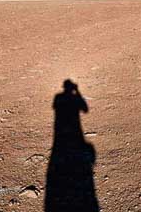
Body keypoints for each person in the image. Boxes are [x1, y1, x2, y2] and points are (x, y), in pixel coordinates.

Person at [45, 80, 99, 212]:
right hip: (74, 130)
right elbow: (85, 109)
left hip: (61, 132)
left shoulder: (58, 97)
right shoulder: (71, 97)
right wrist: (78, 92)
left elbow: (56, 108)